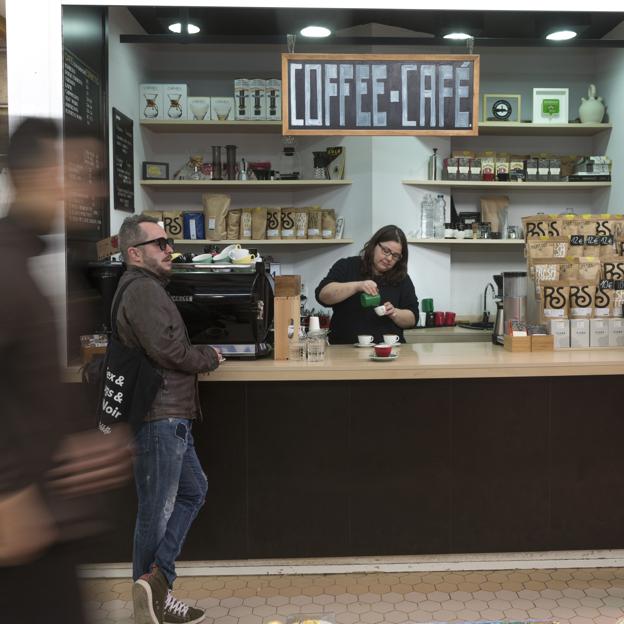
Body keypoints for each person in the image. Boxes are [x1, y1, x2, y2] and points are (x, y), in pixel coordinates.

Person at [0, 118, 131, 623]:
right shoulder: (6, 268)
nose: (93, 188)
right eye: (80, 171)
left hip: (51, 524)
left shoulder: (35, 258)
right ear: (40, 174)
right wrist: (8, 489)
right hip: (20, 533)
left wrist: (76, 440)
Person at [116, 214, 222, 624]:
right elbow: (169, 352)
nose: (168, 249)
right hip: (160, 415)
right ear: (134, 253)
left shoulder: (148, 288)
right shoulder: (142, 290)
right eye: (159, 243)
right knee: (155, 512)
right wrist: (209, 358)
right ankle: (153, 596)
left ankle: (156, 587)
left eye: (168, 242)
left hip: (171, 415)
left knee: (194, 491)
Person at [316, 225, 419, 344]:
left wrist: (394, 313)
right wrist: (357, 286)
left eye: (395, 256)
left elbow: (412, 319)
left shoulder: (402, 278)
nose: (389, 258)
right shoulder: (347, 266)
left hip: (388, 352)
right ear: (374, 245)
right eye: (386, 251)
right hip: (344, 350)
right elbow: (323, 295)